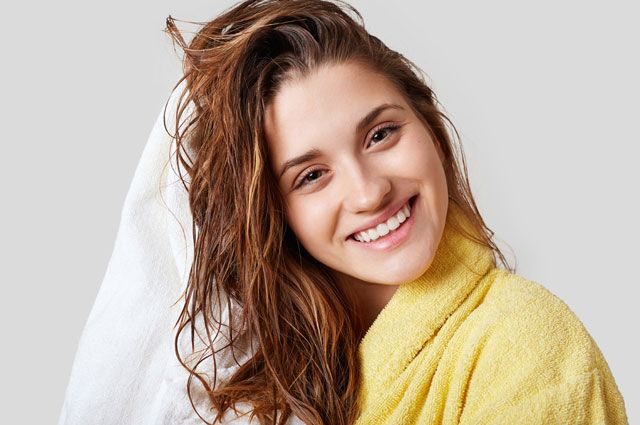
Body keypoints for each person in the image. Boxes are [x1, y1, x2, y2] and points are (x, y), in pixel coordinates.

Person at [59, 0, 628, 424]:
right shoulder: (267, 384)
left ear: (429, 128)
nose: (368, 192)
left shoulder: (526, 347)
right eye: (311, 175)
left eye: (381, 134)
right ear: (274, 214)